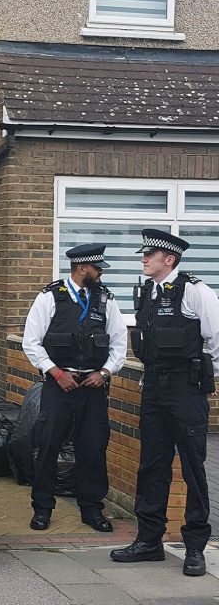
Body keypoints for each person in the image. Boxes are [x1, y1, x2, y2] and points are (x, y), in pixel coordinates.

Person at [111, 229, 219, 577]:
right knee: (151, 467)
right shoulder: (146, 292)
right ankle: (149, 540)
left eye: (150, 255)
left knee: (192, 469)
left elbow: (216, 338)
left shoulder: (195, 291)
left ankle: (195, 547)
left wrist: (206, 377)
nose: (143, 259)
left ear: (168, 259)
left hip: (186, 392)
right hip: (154, 390)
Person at [23, 243, 127, 532]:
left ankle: (92, 509)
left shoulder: (106, 300)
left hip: (93, 387)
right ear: (83, 269)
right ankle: (42, 508)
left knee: (93, 448)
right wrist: (55, 372)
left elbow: (119, 344)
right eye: (97, 269)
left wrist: (105, 372)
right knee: (48, 446)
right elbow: (31, 342)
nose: (100, 274)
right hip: (59, 385)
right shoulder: (49, 297)